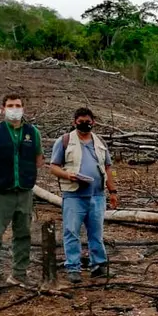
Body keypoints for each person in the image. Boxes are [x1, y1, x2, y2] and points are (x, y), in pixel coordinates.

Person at [0, 94, 44, 292]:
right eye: (10, 105)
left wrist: (24, 174)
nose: (14, 109)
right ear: (3, 108)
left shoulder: (32, 132)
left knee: (23, 234)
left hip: (24, 191)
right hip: (0, 192)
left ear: (24, 108)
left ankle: (19, 274)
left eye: (18, 105)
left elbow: (38, 160)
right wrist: (0, 175)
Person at [48, 107, 119, 283]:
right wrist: (68, 175)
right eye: (81, 122)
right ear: (74, 122)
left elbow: (108, 168)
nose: (85, 124)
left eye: (88, 121)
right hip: (74, 195)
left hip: (97, 195)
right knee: (71, 231)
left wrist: (113, 191)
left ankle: (99, 265)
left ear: (93, 122)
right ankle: (73, 267)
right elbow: (53, 167)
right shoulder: (64, 141)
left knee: (96, 232)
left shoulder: (100, 142)